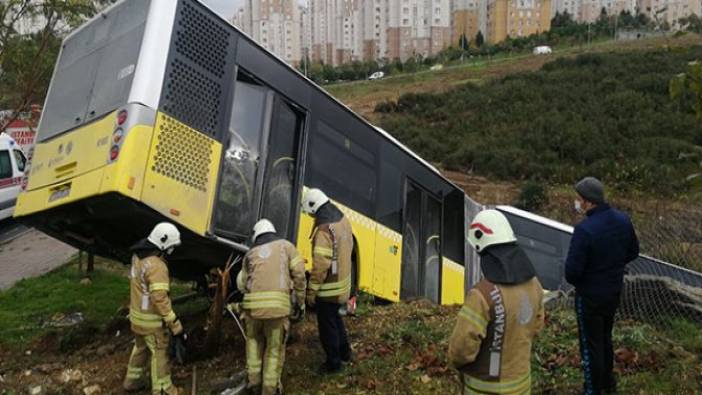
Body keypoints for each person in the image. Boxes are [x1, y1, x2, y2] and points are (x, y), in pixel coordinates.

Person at [449, 209, 545, 395]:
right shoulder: (535, 285)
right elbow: (536, 326)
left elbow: (461, 350)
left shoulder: (481, 296)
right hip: (522, 385)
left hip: (483, 388)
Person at [566, 177, 639, 395]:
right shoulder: (623, 220)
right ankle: (608, 383)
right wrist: (612, 267)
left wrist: (588, 277)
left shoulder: (585, 230)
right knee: (605, 338)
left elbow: (572, 273)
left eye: (578, 199)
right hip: (613, 292)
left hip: (589, 297)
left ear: (588, 201)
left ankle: (592, 388)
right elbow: (633, 251)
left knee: (590, 347)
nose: (576, 202)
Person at [238, 219, 306, 395]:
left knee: (253, 342)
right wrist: (300, 301)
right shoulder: (287, 247)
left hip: (252, 312)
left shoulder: (250, 254)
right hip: (277, 312)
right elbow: (299, 274)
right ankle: (269, 389)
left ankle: (253, 382)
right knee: (274, 349)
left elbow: (243, 283)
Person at [123, 222, 185, 395]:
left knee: (140, 348)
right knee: (160, 352)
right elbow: (159, 299)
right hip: (151, 322)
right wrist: (174, 323)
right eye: (171, 247)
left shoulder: (138, 257)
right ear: (164, 243)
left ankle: (131, 381)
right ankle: (164, 389)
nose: (171, 251)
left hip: (136, 318)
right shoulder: (157, 265)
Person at [301, 188, 353, 374]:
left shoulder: (324, 230)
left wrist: (311, 292)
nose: (311, 216)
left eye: (310, 213)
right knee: (336, 319)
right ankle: (345, 352)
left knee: (327, 326)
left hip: (329, 289)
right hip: (344, 285)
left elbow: (321, 266)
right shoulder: (342, 219)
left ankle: (333, 363)